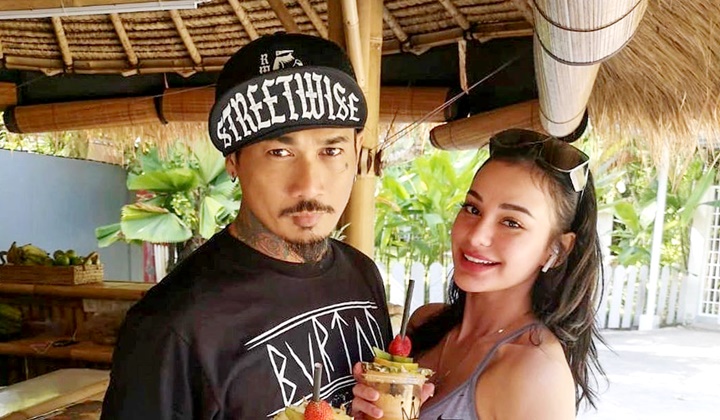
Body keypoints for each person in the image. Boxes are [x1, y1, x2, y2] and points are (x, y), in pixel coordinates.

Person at [101, 33, 392, 420]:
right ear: (233, 161)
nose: (309, 185)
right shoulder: (172, 327)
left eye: (331, 150)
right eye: (279, 152)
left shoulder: (362, 275)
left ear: (356, 150)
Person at [352, 128, 604, 419]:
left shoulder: (534, 371)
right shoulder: (426, 324)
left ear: (556, 249)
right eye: (473, 208)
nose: (476, 237)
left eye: (511, 223)